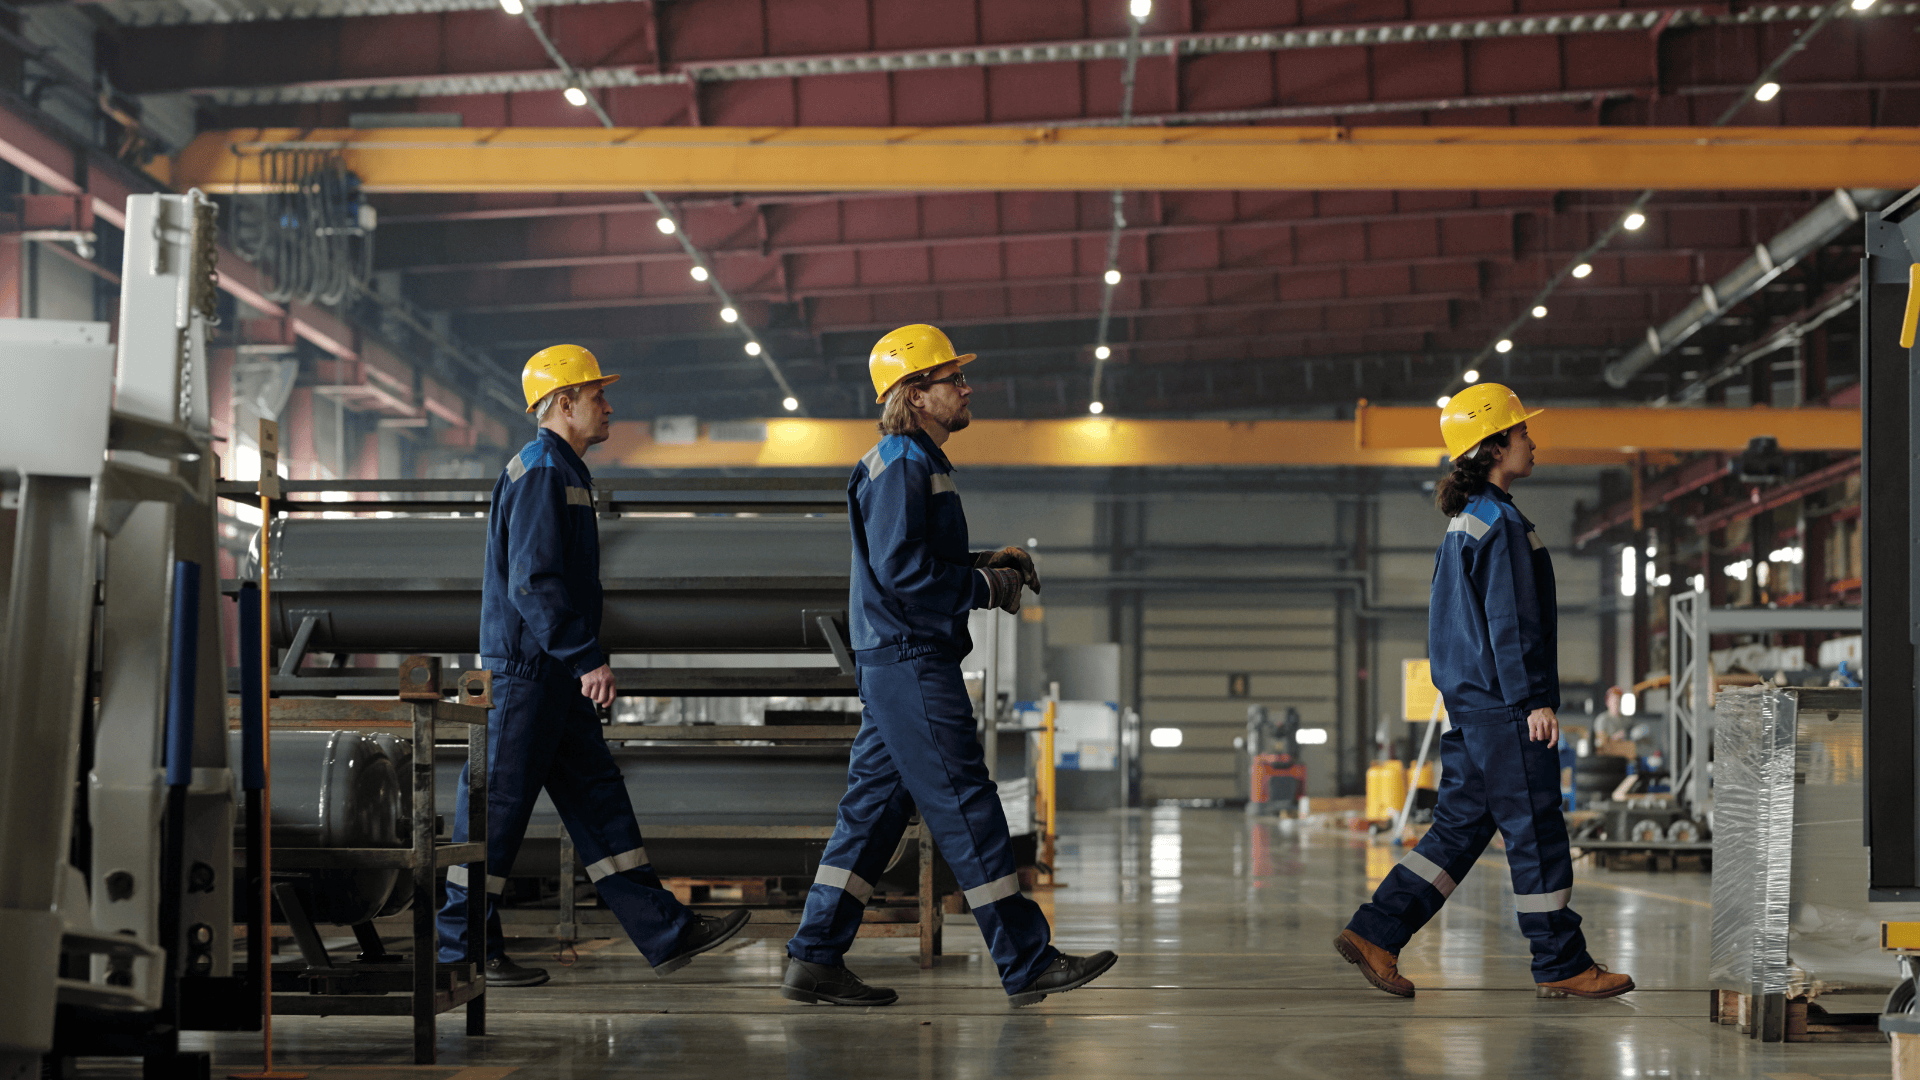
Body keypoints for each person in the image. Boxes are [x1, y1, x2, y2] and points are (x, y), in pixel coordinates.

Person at [780, 324, 1117, 1008]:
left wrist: (985, 563)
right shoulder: (904, 462)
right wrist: (983, 590)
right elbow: (904, 572)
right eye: (951, 379)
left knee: (873, 814)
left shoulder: (911, 461)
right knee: (966, 803)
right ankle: (1026, 961)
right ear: (914, 392)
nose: (966, 387)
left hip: (898, 656)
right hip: (910, 658)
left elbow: (911, 561)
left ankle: (813, 958)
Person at [436, 343, 749, 986]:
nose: (609, 405)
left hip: (551, 679)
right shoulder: (543, 470)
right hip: (527, 677)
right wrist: (586, 659)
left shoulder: (566, 470)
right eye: (597, 394)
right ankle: (457, 952)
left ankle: (667, 930)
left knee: (601, 808)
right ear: (563, 402)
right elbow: (533, 581)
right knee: (492, 817)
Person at [1334, 383, 1633, 1001]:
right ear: (1494, 445)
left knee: (1459, 829)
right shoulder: (1500, 524)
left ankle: (1376, 933)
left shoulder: (1466, 523)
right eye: (1522, 432)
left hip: (1472, 705)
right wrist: (1531, 701)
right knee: (1536, 830)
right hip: (1504, 707)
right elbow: (1510, 620)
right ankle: (1561, 962)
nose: (1532, 440)